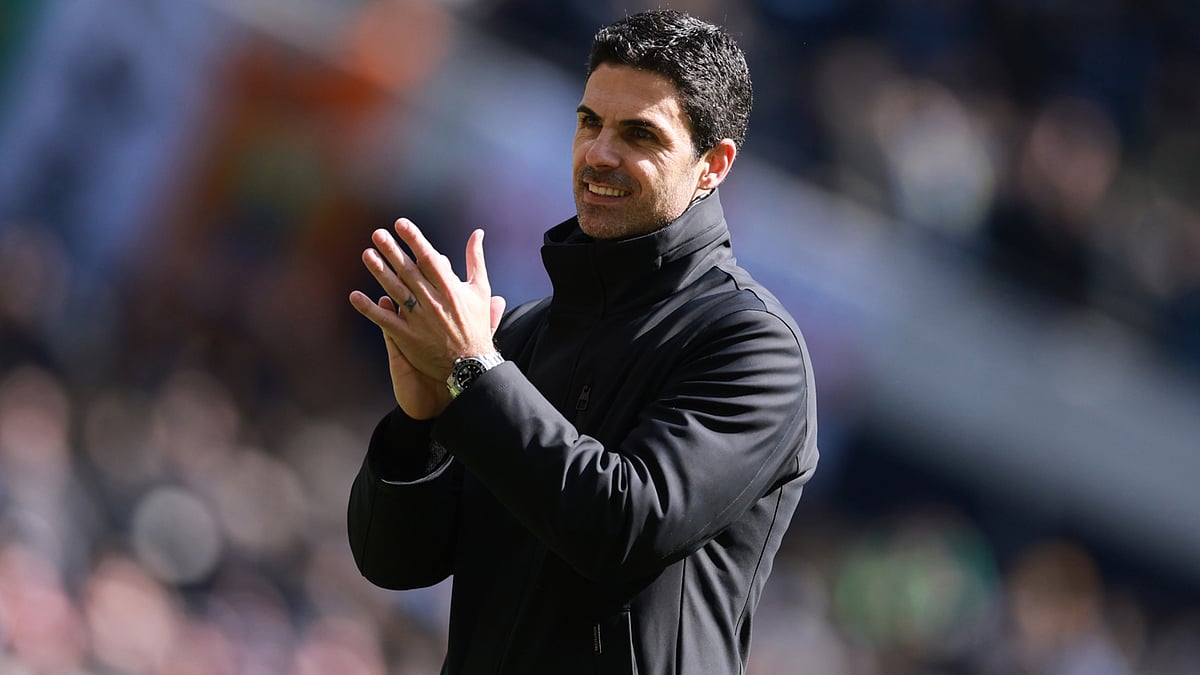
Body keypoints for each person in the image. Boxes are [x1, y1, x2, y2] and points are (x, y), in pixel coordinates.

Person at [346, 9, 818, 674]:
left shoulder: (754, 345)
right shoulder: (522, 335)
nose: (599, 153)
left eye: (639, 134)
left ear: (713, 165)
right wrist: (419, 420)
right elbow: (394, 559)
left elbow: (625, 524)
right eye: (589, 121)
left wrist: (472, 372)